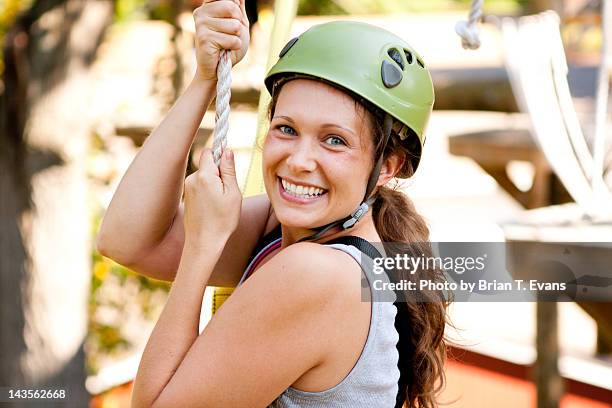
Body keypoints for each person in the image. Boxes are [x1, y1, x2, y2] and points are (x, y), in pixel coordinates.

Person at [97, 1, 448, 406]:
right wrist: (204, 81)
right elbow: (126, 240)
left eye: (334, 140)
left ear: (388, 165)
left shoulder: (318, 273)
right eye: (286, 128)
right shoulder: (281, 229)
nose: (298, 161)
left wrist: (202, 245)